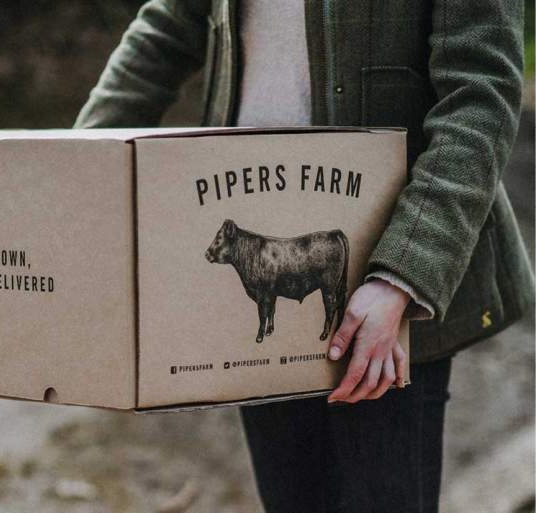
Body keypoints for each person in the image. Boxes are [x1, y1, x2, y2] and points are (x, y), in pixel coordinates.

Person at [74, 1, 534, 511]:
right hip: (246, 216)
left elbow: (480, 93)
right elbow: (170, 24)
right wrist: (78, 163)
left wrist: (403, 274)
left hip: (386, 278)